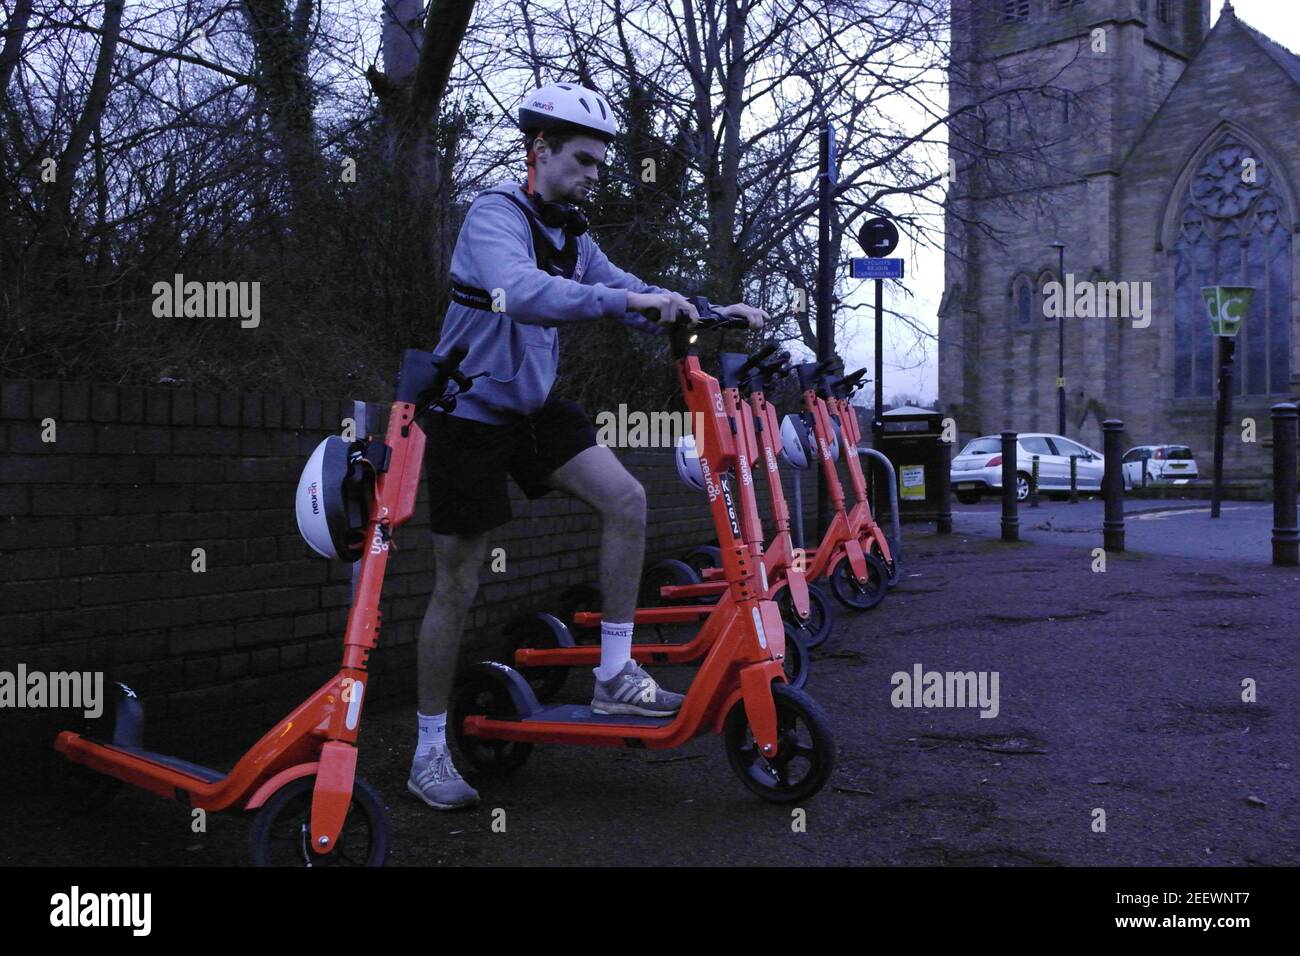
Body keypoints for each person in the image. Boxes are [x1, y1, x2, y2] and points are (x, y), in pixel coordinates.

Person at [408, 82, 768, 809]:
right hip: (467, 413)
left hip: (534, 410)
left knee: (627, 499)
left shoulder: (574, 237)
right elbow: (522, 292)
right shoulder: (494, 217)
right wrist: (625, 301)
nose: (594, 176)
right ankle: (427, 750)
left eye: (602, 165)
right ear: (538, 151)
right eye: (582, 160)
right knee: (458, 580)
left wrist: (707, 309)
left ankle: (613, 677)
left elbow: (634, 292)